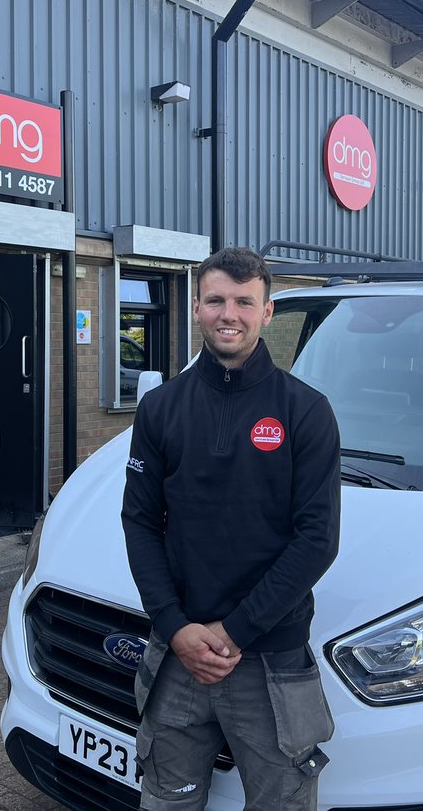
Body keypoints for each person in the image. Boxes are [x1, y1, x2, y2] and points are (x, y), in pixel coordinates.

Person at [122, 246, 341, 810]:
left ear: (267, 311)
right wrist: (174, 626)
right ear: (196, 307)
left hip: (270, 663)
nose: (229, 314)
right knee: (167, 801)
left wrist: (235, 631)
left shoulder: (305, 411)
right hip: (177, 657)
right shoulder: (160, 408)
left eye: (244, 302)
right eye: (216, 300)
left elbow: (317, 540)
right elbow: (140, 521)